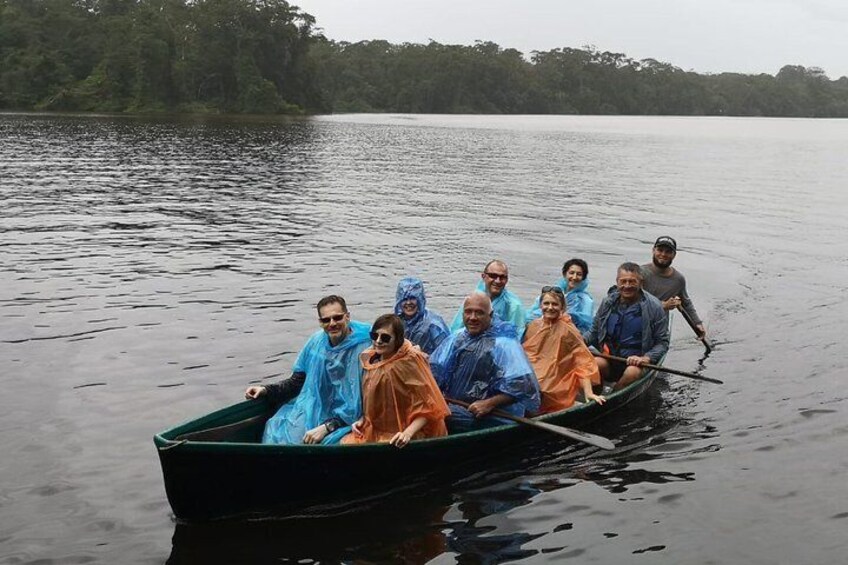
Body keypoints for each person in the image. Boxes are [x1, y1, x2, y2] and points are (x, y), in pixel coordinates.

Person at [245, 295, 371, 445]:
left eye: (337, 318)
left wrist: (327, 427)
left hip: (354, 417)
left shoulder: (368, 345)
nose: (332, 323)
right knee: (278, 429)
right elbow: (297, 383)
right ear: (320, 322)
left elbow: (369, 399)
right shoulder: (315, 343)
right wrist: (266, 390)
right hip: (316, 407)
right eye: (326, 320)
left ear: (347, 317)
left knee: (333, 442)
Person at [432, 292, 540, 433]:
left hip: (492, 415)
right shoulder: (457, 338)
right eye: (468, 312)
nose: (472, 318)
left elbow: (525, 385)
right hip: (457, 404)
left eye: (479, 313)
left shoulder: (504, 344)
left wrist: (489, 404)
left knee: (440, 417)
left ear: (491, 315)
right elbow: (435, 370)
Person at [341, 314, 449, 448]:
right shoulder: (372, 360)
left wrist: (407, 433)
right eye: (375, 336)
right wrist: (363, 420)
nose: (378, 341)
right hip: (378, 430)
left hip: (409, 431)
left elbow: (429, 408)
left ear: (397, 340)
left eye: (385, 338)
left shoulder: (408, 364)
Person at [584, 263, 669, 391]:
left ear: (641, 282)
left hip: (637, 363)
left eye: (632, 281)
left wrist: (646, 358)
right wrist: (580, 342)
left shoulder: (655, 307)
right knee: (595, 364)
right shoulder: (608, 302)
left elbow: (662, 343)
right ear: (617, 282)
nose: (627, 286)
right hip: (611, 359)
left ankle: (615, 394)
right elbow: (594, 332)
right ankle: (595, 397)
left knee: (631, 373)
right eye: (623, 281)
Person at [523, 286, 606, 413]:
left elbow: (582, 362)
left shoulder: (568, 330)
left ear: (562, 307)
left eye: (554, 304)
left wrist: (589, 393)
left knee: (540, 389)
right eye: (546, 303)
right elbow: (527, 354)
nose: (550, 307)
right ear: (540, 305)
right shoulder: (534, 325)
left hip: (556, 379)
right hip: (537, 372)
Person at [641, 236, 707, 338]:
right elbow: (631, 303)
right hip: (636, 323)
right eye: (660, 250)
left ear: (674, 255)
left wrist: (697, 323)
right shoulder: (639, 273)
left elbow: (686, 303)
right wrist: (661, 305)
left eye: (668, 251)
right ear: (653, 250)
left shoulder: (678, 279)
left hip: (659, 328)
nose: (663, 254)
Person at [450, 260, 526, 340]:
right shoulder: (474, 299)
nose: (497, 281)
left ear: (506, 280)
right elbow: (457, 327)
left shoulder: (514, 306)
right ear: (483, 276)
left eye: (502, 277)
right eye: (493, 276)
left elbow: (515, 338)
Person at [525, 258, 595, 334]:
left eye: (579, 274)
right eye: (571, 273)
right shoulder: (552, 292)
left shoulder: (586, 300)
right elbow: (531, 314)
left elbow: (585, 327)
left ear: (583, 278)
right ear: (565, 274)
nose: (574, 277)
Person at [394, 276, 450, 355]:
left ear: (420, 299)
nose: (408, 303)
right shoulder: (395, 322)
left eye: (412, 298)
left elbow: (444, 355)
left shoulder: (434, 325)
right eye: (405, 299)